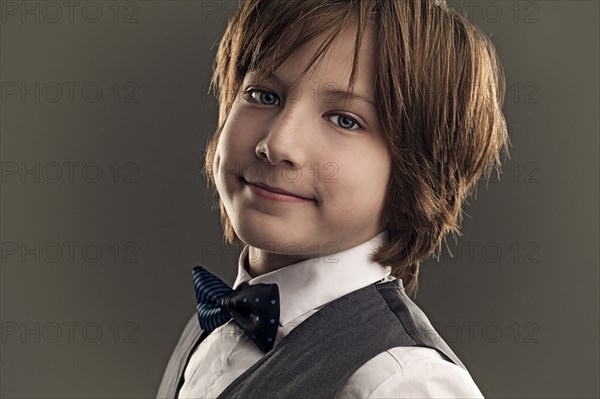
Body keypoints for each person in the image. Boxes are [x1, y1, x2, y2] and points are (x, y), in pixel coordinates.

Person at [157, 0, 510, 397]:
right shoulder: (213, 322)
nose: (277, 144)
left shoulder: (400, 381)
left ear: (418, 172)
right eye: (263, 95)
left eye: (345, 120)